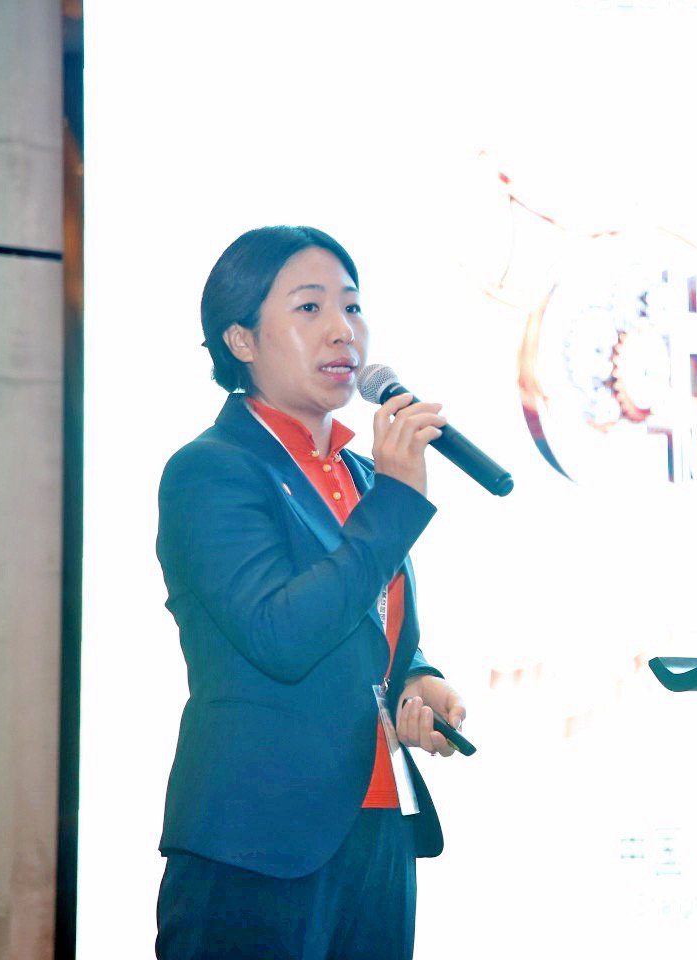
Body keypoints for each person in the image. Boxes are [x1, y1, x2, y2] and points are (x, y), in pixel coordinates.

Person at [154, 225, 464, 959]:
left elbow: (370, 630)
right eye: (309, 307)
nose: (342, 330)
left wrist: (418, 680)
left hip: (377, 829)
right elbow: (281, 635)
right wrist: (395, 503)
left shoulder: (361, 474)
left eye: (352, 306)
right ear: (240, 340)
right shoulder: (211, 471)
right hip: (257, 842)